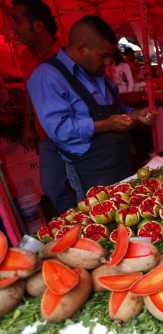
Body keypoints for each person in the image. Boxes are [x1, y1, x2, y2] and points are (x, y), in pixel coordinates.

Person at [27, 15, 159, 194]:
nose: (108, 62)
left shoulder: (99, 73)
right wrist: (107, 124)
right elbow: (59, 129)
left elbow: (116, 107)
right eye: (103, 56)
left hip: (121, 163)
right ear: (82, 48)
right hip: (89, 171)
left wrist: (135, 114)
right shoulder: (48, 76)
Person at [11, 0, 83, 213]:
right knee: (51, 187)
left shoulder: (67, 55)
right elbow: (29, 92)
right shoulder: (26, 57)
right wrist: (28, 127)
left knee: (83, 186)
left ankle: (89, 223)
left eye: (17, 20)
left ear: (39, 26)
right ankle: (73, 223)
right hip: (45, 137)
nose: (13, 27)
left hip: (72, 134)